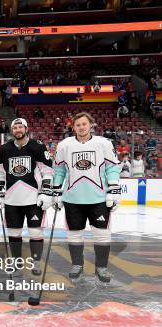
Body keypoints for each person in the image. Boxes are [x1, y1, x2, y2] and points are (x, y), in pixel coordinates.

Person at [52, 112, 121, 284]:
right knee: (74, 235)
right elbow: (59, 170)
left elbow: (112, 167)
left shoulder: (103, 143)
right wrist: (56, 191)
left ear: (91, 125)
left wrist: (113, 188)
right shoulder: (64, 145)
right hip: (72, 199)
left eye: (84, 124)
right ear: (73, 127)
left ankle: (101, 267)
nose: (81, 127)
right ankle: (77, 265)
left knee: (102, 234)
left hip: (98, 199)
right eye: (78, 125)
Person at [0, 119, 54, 276]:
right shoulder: (4, 149)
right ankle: (16, 261)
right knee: (14, 233)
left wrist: (45, 192)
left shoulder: (38, 147)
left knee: (35, 232)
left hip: (34, 199)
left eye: (20, 127)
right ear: (12, 130)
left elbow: (47, 171)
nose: (18, 129)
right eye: (15, 127)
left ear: (26, 128)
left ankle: (35, 262)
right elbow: (0, 173)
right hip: (12, 199)